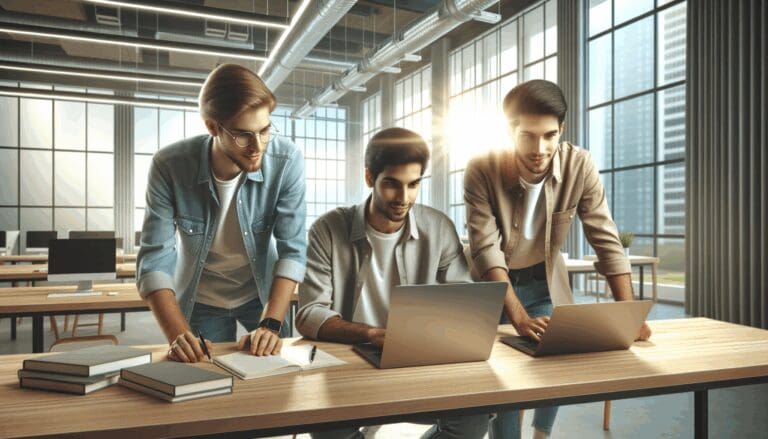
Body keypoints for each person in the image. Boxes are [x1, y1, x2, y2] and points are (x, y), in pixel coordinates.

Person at [463, 79, 652, 439]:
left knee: (556, 362)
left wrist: (628, 314)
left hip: (544, 279)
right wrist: (517, 316)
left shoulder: (580, 165)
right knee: (502, 379)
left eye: (550, 135)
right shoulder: (481, 169)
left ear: (561, 130)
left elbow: (605, 238)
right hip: (492, 287)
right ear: (509, 130)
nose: (540, 147)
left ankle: (542, 434)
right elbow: (485, 248)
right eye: (528, 136)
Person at [296, 127, 488, 439]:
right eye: (392, 184)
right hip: (350, 363)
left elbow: (463, 303)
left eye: (414, 185)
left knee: (473, 419)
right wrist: (370, 334)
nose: (403, 198)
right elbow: (308, 314)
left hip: (419, 363)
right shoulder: (328, 229)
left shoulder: (438, 228)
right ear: (370, 177)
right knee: (326, 426)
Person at [136, 63, 307, 363]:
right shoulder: (169, 166)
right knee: (207, 382)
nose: (258, 147)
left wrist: (271, 321)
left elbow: (292, 249)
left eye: (264, 130)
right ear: (213, 127)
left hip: (262, 293)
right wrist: (178, 336)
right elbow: (154, 261)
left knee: (277, 378)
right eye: (244, 135)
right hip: (203, 297)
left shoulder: (286, 159)